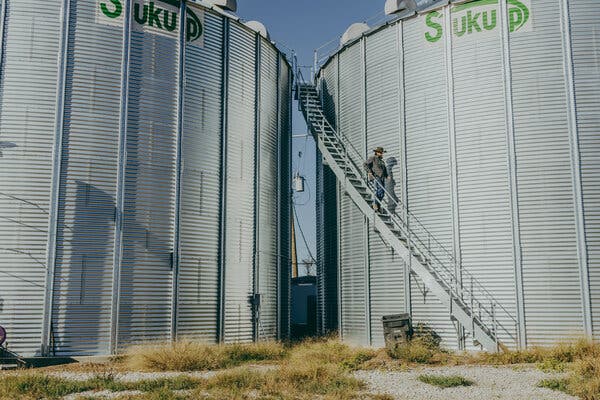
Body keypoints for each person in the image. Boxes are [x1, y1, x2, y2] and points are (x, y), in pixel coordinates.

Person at [364, 147, 388, 213]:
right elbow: (365, 164)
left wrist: (387, 176)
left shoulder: (381, 161)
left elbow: (384, 169)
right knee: (380, 190)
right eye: (380, 152)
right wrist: (369, 172)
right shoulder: (373, 158)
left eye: (382, 152)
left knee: (382, 193)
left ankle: (377, 205)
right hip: (376, 176)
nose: (381, 153)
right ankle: (375, 204)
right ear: (377, 152)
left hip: (382, 177)